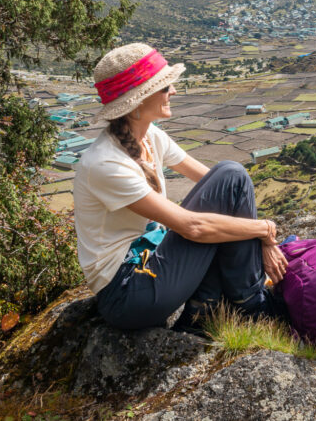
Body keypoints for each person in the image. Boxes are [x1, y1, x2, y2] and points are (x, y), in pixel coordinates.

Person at [73, 43, 287, 332]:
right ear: (138, 101)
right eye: (164, 87)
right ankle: (249, 303)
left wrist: (260, 237)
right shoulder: (105, 163)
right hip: (128, 292)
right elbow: (193, 227)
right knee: (231, 178)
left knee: (233, 175)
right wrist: (264, 230)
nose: (173, 91)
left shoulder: (150, 137)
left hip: (150, 265)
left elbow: (224, 189)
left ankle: (206, 307)